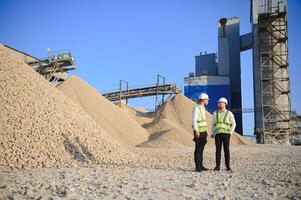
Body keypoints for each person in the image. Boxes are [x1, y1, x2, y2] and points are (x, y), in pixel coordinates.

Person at [211, 97, 236, 171]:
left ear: (225, 104)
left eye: (220, 103)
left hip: (226, 134)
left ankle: (227, 166)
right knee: (218, 150)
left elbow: (234, 124)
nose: (219, 104)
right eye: (219, 103)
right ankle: (217, 166)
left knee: (226, 150)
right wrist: (212, 133)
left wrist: (230, 133)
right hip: (218, 134)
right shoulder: (215, 113)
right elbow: (212, 124)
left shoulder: (229, 113)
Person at [192, 93, 209, 172]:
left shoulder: (202, 108)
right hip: (199, 131)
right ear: (203, 100)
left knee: (201, 149)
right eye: (207, 100)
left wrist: (207, 130)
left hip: (203, 131)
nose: (207, 101)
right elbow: (194, 120)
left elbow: (203, 121)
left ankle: (201, 165)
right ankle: (197, 166)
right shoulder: (197, 108)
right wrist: (196, 130)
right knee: (198, 149)